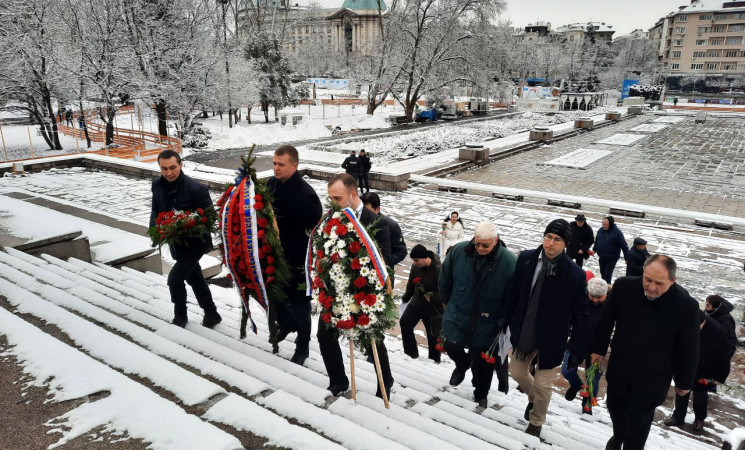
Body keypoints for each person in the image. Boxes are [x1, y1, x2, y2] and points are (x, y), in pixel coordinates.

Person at [591, 254, 700, 450]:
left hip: (654, 375)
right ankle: (618, 435)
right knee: (615, 407)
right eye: (647, 279)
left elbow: (689, 347)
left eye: (659, 283)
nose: (651, 287)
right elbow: (605, 321)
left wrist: (684, 382)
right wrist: (598, 350)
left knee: (639, 420)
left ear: (672, 280)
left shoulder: (686, 305)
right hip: (620, 366)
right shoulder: (623, 286)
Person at [500, 218, 588, 438]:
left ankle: (536, 421)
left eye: (557, 240)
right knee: (517, 372)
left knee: (543, 385)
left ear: (565, 243)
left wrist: (576, 346)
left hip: (552, 336)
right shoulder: (527, 259)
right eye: (548, 237)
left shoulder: (574, 274)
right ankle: (534, 400)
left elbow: (581, 314)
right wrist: (505, 318)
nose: (550, 243)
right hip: (525, 329)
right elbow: (514, 292)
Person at [317, 173, 393, 398]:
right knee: (324, 335)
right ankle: (338, 380)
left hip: (365, 293)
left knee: (373, 341)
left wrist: (371, 291)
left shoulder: (377, 222)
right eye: (330, 198)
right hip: (336, 292)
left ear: (352, 194)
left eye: (337, 198)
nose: (333, 203)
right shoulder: (331, 218)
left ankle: (385, 381)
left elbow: (385, 264)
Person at [439, 222, 516, 408]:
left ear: (495, 241)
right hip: (459, 311)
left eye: (485, 245)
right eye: (477, 244)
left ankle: (481, 393)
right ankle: (462, 364)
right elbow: (445, 278)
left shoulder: (508, 261)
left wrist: (504, 318)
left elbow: (513, 294)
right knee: (450, 344)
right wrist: (446, 301)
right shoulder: (459, 252)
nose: (480, 248)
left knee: (482, 363)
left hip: (487, 320)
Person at [150, 150, 221, 329]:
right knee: (195, 278)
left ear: (181, 165)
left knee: (174, 279)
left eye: (172, 167)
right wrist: (155, 231)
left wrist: (187, 225)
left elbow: (210, 218)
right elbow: (155, 210)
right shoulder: (157, 185)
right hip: (175, 243)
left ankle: (180, 316)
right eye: (164, 168)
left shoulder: (197, 189)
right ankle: (212, 313)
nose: (168, 172)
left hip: (195, 244)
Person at [266, 145, 322, 365]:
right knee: (273, 295)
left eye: (281, 164)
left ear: (294, 165)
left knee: (300, 305)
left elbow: (311, 234)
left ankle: (303, 346)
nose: (276, 168)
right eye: (274, 163)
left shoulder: (307, 195)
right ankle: (286, 323)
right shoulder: (271, 185)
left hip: (298, 260)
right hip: (274, 255)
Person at [665, 310, 731, 432]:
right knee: (681, 391)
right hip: (685, 365)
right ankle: (678, 417)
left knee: (700, 395)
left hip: (705, 370)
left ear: (704, 322)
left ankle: (699, 419)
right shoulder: (685, 324)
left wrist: (720, 377)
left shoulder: (718, 332)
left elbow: (724, 357)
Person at [561, 275, 608, 411]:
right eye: (592, 296)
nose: (594, 299)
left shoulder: (611, 306)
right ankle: (576, 385)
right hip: (577, 342)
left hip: (598, 349)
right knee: (567, 371)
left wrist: (602, 351)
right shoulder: (580, 301)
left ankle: (586, 406)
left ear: (605, 294)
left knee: (592, 379)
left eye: (598, 297)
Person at [400, 244, 443, 363]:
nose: (414, 263)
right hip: (416, 304)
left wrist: (434, 296)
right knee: (405, 323)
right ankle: (411, 354)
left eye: (416, 260)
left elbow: (446, 291)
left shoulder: (439, 269)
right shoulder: (415, 268)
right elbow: (410, 285)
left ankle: (434, 361)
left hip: (432, 309)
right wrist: (405, 298)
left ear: (424, 258)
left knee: (433, 337)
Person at [361, 192, 406, 266]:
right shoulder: (358, 221)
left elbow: (401, 251)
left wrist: (385, 262)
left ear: (377, 209)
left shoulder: (391, 225)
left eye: (367, 211)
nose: (364, 213)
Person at [593, 216, 629, 284]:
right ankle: (603, 287)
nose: (604, 226)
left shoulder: (617, 233)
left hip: (612, 257)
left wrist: (626, 257)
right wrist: (594, 249)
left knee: (607, 274)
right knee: (602, 273)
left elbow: (624, 246)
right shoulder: (600, 230)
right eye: (603, 224)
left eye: (606, 224)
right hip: (602, 256)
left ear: (611, 223)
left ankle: (607, 290)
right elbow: (597, 241)